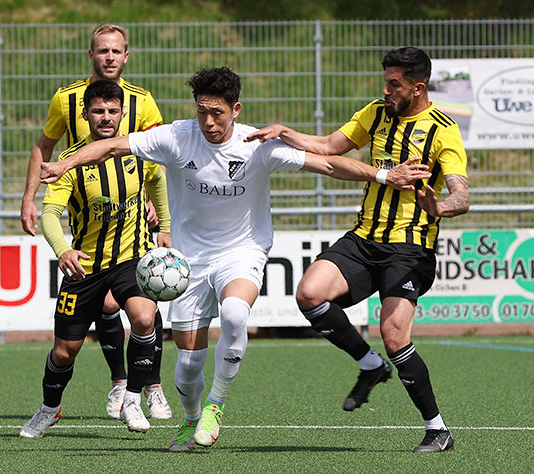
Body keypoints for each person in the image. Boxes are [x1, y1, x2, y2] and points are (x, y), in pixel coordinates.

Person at [40, 66, 431, 451]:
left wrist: (383, 176)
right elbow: (112, 146)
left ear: (236, 110)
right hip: (188, 263)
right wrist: (64, 163)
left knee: (234, 314)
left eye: (217, 113)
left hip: (242, 251)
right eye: (202, 112)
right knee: (188, 368)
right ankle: (191, 418)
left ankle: (216, 405)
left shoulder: (255, 144)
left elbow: (326, 163)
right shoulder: (176, 136)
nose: (208, 122)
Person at [246, 47, 470, 453]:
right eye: (385, 81)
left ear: (418, 88)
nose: (386, 90)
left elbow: (461, 195)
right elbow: (328, 145)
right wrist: (283, 131)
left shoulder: (443, 130)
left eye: (394, 84)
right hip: (364, 238)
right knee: (309, 294)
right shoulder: (376, 113)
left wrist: (440, 207)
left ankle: (438, 430)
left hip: (409, 247)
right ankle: (370, 365)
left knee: (394, 335)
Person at [20, 23, 171, 421]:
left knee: (143, 307)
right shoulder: (65, 99)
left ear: (126, 56)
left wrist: (158, 210)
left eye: (116, 50)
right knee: (80, 331)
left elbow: (158, 159)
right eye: (102, 50)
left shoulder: (143, 102)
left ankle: (147, 389)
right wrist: (29, 197)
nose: (109, 57)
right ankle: (117, 383)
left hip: (132, 222)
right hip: (86, 219)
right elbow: (45, 148)